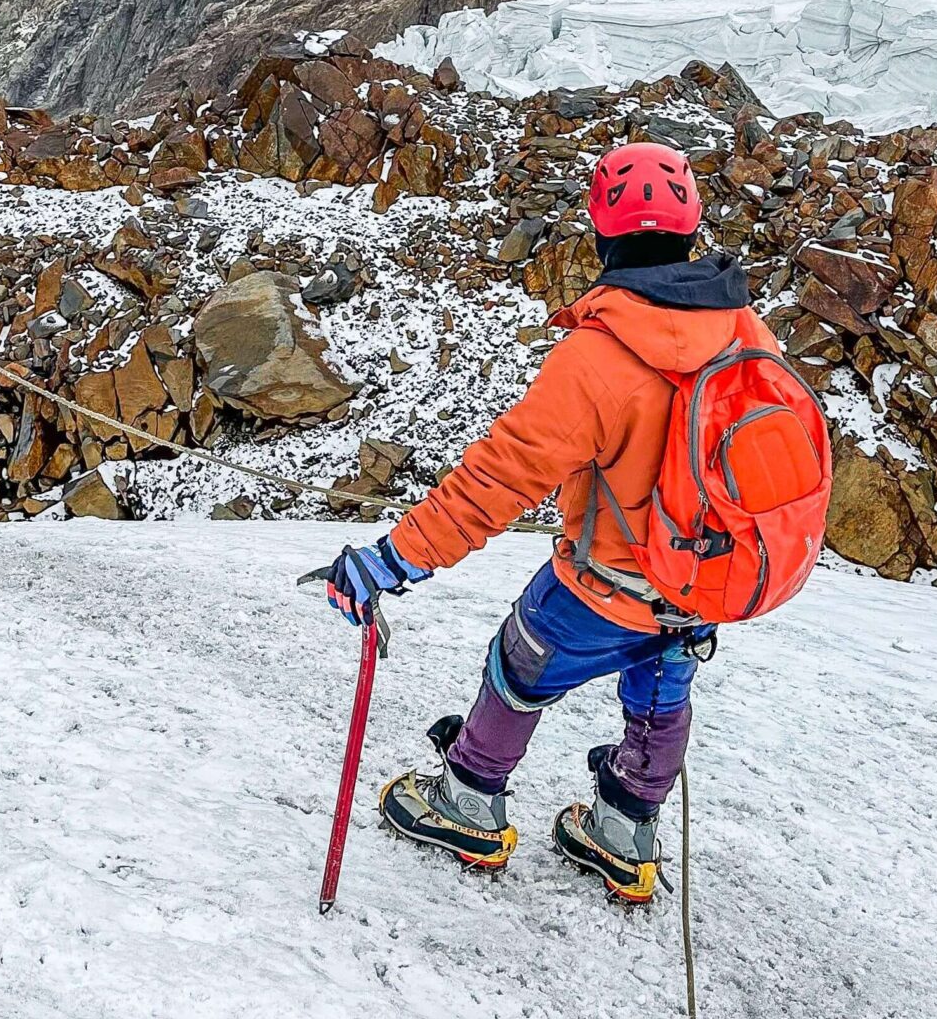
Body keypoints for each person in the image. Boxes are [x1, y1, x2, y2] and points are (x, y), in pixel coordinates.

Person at [322, 142, 775, 904]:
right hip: (703, 581)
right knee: (662, 688)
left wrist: (394, 558)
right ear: (692, 226)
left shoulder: (596, 360)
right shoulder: (748, 335)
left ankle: (467, 799)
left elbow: (498, 480)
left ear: (602, 232)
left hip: (605, 586)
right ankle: (625, 831)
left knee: (520, 663)